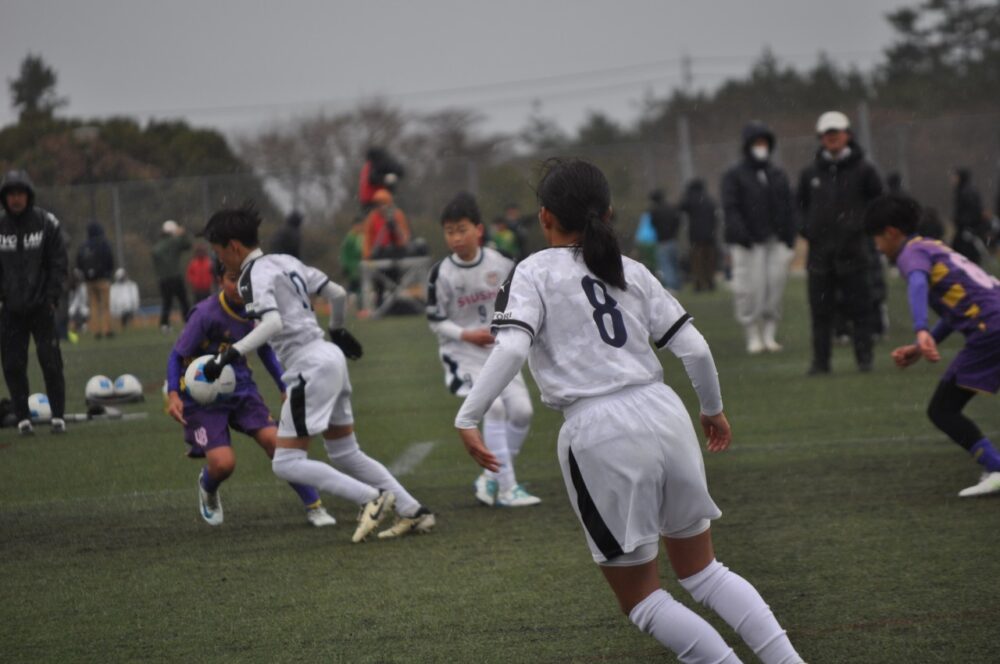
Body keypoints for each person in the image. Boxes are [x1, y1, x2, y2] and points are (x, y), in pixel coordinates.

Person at [455, 159, 804, 663]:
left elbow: (510, 349)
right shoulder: (631, 269)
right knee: (705, 572)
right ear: (608, 212)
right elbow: (696, 348)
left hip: (598, 429)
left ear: (545, 216)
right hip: (666, 413)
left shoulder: (531, 272)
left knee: (641, 598)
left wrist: (468, 417)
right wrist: (712, 409)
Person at [201, 203, 434, 541]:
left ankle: (371, 498)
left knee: (286, 462)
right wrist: (337, 329)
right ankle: (414, 511)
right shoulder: (286, 261)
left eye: (219, 252)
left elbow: (272, 323)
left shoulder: (252, 276)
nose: (221, 260)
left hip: (308, 367)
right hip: (329, 355)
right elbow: (337, 292)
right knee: (345, 452)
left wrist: (228, 355)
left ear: (234, 247)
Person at [166, 261, 337, 527]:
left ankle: (314, 506)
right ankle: (208, 486)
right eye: (232, 279)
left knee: (278, 445)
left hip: (241, 389)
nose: (239, 286)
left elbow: (265, 349)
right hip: (201, 397)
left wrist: (283, 386)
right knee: (223, 464)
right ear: (220, 281)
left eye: (244, 280)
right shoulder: (205, 314)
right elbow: (177, 355)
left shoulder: (257, 310)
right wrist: (174, 395)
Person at [864, 194, 1000, 497]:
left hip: (990, 329)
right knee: (945, 407)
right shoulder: (931, 246)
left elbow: (917, 282)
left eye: (876, 238)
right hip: (993, 321)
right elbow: (956, 311)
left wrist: (921, 327)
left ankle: (996, 467)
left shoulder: (910, 254)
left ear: (891, 233)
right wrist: (921, 344)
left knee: (943, 409)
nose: (876, 246)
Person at [427, 192, 538, 507]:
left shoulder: (502, 261)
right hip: (462, 353)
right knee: (495, 409)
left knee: (523, 412)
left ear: (478, 229)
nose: (455, 238)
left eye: (461, 230)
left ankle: (491, 477)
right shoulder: (441, 273)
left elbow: (522, 297)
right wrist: (466, 334)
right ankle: (507, 488)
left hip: (499, 350)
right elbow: (435, 320)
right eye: (449, 231)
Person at [797, 111, 883, 374]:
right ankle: (821, 362)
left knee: (861, 309)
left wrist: (861, 228)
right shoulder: (810, 172)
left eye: (836, 132)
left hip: (855, 251)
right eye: (827, 134)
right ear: (820, 138)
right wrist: (808, 230)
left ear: (848, 135)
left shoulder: (864, 169)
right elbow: (798, 207)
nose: (832, 138)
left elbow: (878, 203)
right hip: (820, 255)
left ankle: (864, 359)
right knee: (820, 311)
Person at [0, 170, 68, 435]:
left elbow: (58, 262)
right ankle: (23, 418)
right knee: (13, 364)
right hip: (10, 310)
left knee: (50, 361)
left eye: (20, 193)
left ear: (28, 195)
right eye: (11, 194)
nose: (16, 199)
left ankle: (58, 416)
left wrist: (51, 298)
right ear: (5, 198)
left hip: (42, 307)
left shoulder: (46, 223)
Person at [722, 122, 796, 354]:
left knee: (774, 287)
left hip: (776, 241)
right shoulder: (734, 175)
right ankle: (753, 335)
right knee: (749, 289)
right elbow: (731, 207)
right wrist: (741, 233)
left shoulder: (776, 173)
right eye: (756, 143)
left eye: (764, 142)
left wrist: (789, 236)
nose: (761, 147)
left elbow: (789, 205)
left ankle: (769, 335)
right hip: (748, 243)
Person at [76, 221, 115, 339]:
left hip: (89, 281)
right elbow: (110, 260)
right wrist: (108, 273)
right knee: (105, 306)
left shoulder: (83, 246)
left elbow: (78, 263)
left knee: (93, 307)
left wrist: (86, 275)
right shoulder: (103, 244)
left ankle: (96, 331)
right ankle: (107, 330)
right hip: (103, 279)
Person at [680, 179, 719, 292]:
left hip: (695, 237)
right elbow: (715, 218)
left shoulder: (690, 199)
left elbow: (680, 207)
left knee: (697, 262)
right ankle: (710, 283)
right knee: (709, 261)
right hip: (710, 236)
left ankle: (698, 284)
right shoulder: (709, 200)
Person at [153, 219, 192, 332]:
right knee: (183, 300)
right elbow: (187, 245)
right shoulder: (174, 241)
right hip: (175, 277)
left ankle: (164, 324)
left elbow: (155, 253)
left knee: (167, 302)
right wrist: (182, 234)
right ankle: (188, 321)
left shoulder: (159, 244)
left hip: (163, 279)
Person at [647, 189, 683, 291]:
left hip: (662, 240)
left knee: (666, 264)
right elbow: (677, 221)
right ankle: (678, 284)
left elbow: (653, 224)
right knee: (674, 263)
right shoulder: (672, 208)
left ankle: (671, 285)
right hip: (673, 239)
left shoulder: (654, 211)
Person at [950, 168, 987, 265]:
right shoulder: (963, 190)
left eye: (955, 177)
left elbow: (974, 211)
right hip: (965, 230)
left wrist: (966, 225)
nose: (953, 179)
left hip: (967, 231)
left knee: (965, 258)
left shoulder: (966, 192)